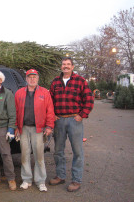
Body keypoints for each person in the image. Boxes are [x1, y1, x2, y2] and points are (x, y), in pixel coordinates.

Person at [49, 57, 94, 192]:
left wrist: (82, 115)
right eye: (64, 64)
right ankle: (60, 176)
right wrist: (53, 115)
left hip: (74, 120)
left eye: (68, 64)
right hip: (59, 121)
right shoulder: (55, 82)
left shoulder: (80, 81)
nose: (66, 66)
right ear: (61, 66)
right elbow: (49, 100)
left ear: (73, 67)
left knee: (77, 151)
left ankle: (76, 180)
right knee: (58, 151)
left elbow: (89, 100)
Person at [15, 69, 55, 192]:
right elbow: (15, 111)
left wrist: (49, 126)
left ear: (38, 79)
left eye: (34, 77)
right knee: (24, 155)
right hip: (24, 129)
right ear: (26, 79)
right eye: (29, 77)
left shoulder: (45, 93)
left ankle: (40, 181)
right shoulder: (19, 93)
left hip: (39, 129)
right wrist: (16, 126)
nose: (32, 79)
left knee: (39, 156)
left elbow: (50, 110)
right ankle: (26, 179)